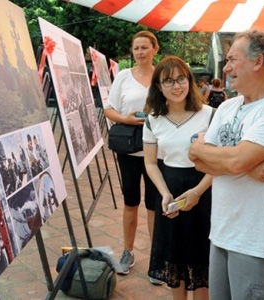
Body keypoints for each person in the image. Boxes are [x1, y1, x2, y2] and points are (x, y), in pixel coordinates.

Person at [189, 30, 264, 299]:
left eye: (233, 59)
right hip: (221, 233)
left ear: (258, 62)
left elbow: (230, 160)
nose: (227, 67)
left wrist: (213, 153)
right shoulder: (226, 107)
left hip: (259, 243)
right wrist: (247, 164)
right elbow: (198, 161)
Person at [143, 56, 213, 300]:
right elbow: (151, 163)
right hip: (170, 190)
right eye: (168, 81)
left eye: (181, 79)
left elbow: (218, 163)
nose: (176, 86)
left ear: (189, 80)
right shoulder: (152, 120)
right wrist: (164, 194)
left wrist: (198, 191)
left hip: (205, 191)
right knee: (175, 257)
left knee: (201, 258)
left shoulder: (210, 115)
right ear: (158, 87)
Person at [103, 30, 162, 284]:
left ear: (154, 49)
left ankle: (157, 259)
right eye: (136, 48)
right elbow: (108, 109)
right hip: (129, 149)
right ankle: (128, 252)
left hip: (158, 150)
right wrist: (127, 119)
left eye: (144, 47)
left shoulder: (163, 75)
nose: (139, 52)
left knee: (154, 205)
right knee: (131, 202)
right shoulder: (123, 77)